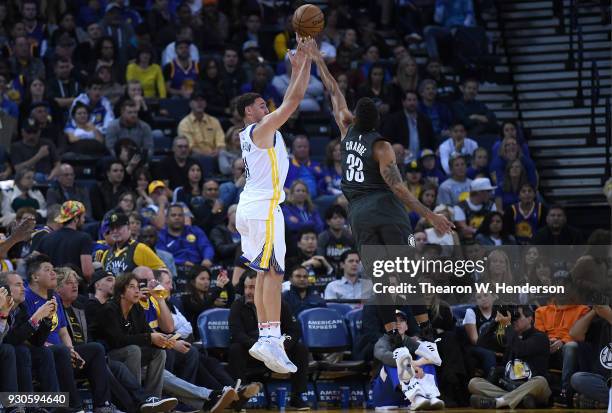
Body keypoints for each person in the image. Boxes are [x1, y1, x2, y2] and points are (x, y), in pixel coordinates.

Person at [312, 39, 452, 340]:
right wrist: (431, 215)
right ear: (378, 121)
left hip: (358, 213)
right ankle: (426, 331)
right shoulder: (381, 146)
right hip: (385, 208)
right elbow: (398, 188)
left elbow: (334, 90)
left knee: (381, 277)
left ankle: (393, 336)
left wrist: (317, 60)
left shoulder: (345, 130)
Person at [233, 36, 317, 374]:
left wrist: (296, 67)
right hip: (264, 207)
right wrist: (306, 60)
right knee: (272, 273)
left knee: (267, 272)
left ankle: (268, 335)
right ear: (248, 112)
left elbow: (287, 100)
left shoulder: (257, 132)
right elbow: (294, 99)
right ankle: (268, 335)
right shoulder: (260, 128)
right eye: (260, 105)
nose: (266, 108)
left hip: (254, 206)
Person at [23, 254, 119, 412]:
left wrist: (72, 350)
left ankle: (103, 406)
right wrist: (63, 349)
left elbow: (62, 331)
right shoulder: (26, 297)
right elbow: (23, 334)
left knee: (95, 349)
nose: (53, 273)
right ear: (35, 277)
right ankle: (76, 407)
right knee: (61, 351)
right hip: (39, 354)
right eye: (47, 270)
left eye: (53, 269)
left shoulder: (53, 296)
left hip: (61, 353)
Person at [228, 271, 310, 410]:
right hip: (253, 350)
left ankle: (297, 397)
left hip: (277, 349)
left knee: (301, 349)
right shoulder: (238, 305)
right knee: (235, 348)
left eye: (253, 287)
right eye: (246, 287)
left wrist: (283, 345)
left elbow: (293, 331)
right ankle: (240, 397)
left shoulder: (280, 304)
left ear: (263, 288)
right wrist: (260, 347)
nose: (248, 291)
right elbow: (236, 333)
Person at [468, 306, 552, 409]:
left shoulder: (540, 337)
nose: (514, 321)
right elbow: (482, 343)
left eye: (518, 317)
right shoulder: (509, 337)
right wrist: (495, 322)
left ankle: (498, 402)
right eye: (513, 318)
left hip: (533, 388)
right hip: (510, 388)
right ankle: (519, 401)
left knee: (540, 381)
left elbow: (521, 349)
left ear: (530, 318)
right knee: (474, 383)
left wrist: (507, 326)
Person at [373, 309, 444, 410]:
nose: (398, 324)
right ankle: (416, 397)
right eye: (394, 321)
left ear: (406, 326)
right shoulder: (382, 341)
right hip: (385, 397)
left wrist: (417, 363)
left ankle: (430, 396)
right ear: (387, 326)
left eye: (401, 321)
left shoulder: (410, 341)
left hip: (406, 398)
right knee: (394, 360)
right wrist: (411, 366)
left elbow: (432, 356)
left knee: (424, 357)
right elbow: (385, 356)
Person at [535, 303, 590, 405]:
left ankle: (566, 392)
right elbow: (538, 334)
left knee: (571, 346)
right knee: (533, 345)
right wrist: (547, 341)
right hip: (547, 346)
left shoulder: (583, 310)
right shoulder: (540, 311)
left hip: (568, 346)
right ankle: (535, 390)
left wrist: (563, 341)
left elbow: (581, 334)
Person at [35, 200, 94, 281]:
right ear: (76, 218)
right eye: (83, 217)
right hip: (75, 288)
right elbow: (87, 273)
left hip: (52, 288)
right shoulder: (84, 238)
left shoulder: (46, 238)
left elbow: (35, 264)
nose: (84, 220)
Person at [156, 203, 214, 281]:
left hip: (199, 267)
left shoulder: (195, 230)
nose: (177, 218)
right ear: (166, 219)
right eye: (173, 215)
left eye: (180, 215)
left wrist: (207, 258)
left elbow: (206, 246)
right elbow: (162, 257)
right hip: (176, 270)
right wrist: (182, 262)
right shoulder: (161, 236)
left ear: (184, 217)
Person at [569, 305, 612, 409]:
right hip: (604, 381)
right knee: (577, 379)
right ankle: (606, 402)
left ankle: (602, 403)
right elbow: (574, 334)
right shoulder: (601, 323)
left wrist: (610, 317)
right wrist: (594, 310)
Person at [99, 212, 165, 275]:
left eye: (118, 227)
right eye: (112, 228)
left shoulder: (140, 249)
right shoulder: (106, 254)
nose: (115, 231)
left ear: (128, 227)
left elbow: (163, 271)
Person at [181, 265, 234, 339]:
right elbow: (200, 310)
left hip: (215, 335)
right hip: (196, 338)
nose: (206, 282)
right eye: (202, 279)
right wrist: (218, 290)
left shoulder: (210, 298)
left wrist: (228, 285)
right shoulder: (186, 298)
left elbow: (229, 307)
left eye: (208, 279)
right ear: (193, 281)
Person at [177, 92, 225, 173]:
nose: (199, 103)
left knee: (224, 154)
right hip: (195, 156)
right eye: (196, 100)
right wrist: (207, 155)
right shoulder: (184, 123)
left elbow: (221, 142)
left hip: (215, 155)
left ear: (205, 103)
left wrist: (217, 151)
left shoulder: (214, 121)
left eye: (202, 100)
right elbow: (190, 147)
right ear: (190, 104)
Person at [380, 90, 435, 159]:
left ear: (418, 102)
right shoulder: (394, 119)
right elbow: (386, 140)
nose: (412, 103)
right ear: (403, 102)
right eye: (409, 100)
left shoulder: (425, 120)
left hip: (421, 159)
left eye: (414, 100)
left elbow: (432, 142)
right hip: (401, 158)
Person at [10, 118, 61, 182]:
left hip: (48, 178)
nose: (32, 135)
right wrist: (38, 156)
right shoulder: (16, 147)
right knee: (38, 176)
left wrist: (52, 176)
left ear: (39, 132)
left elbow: (57, 164)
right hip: (27, 181)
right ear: (22, 132)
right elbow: (18, 169)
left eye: (35, 132)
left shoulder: (48, 143)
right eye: (28, 132)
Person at [316, 205, 355, 275]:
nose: (338, 220)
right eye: (335, 218)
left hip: (348, 272)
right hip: (327, 272)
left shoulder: (350, 236)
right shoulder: (323, 237)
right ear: (328, 221)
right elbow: (320, 257)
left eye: (341, 217)